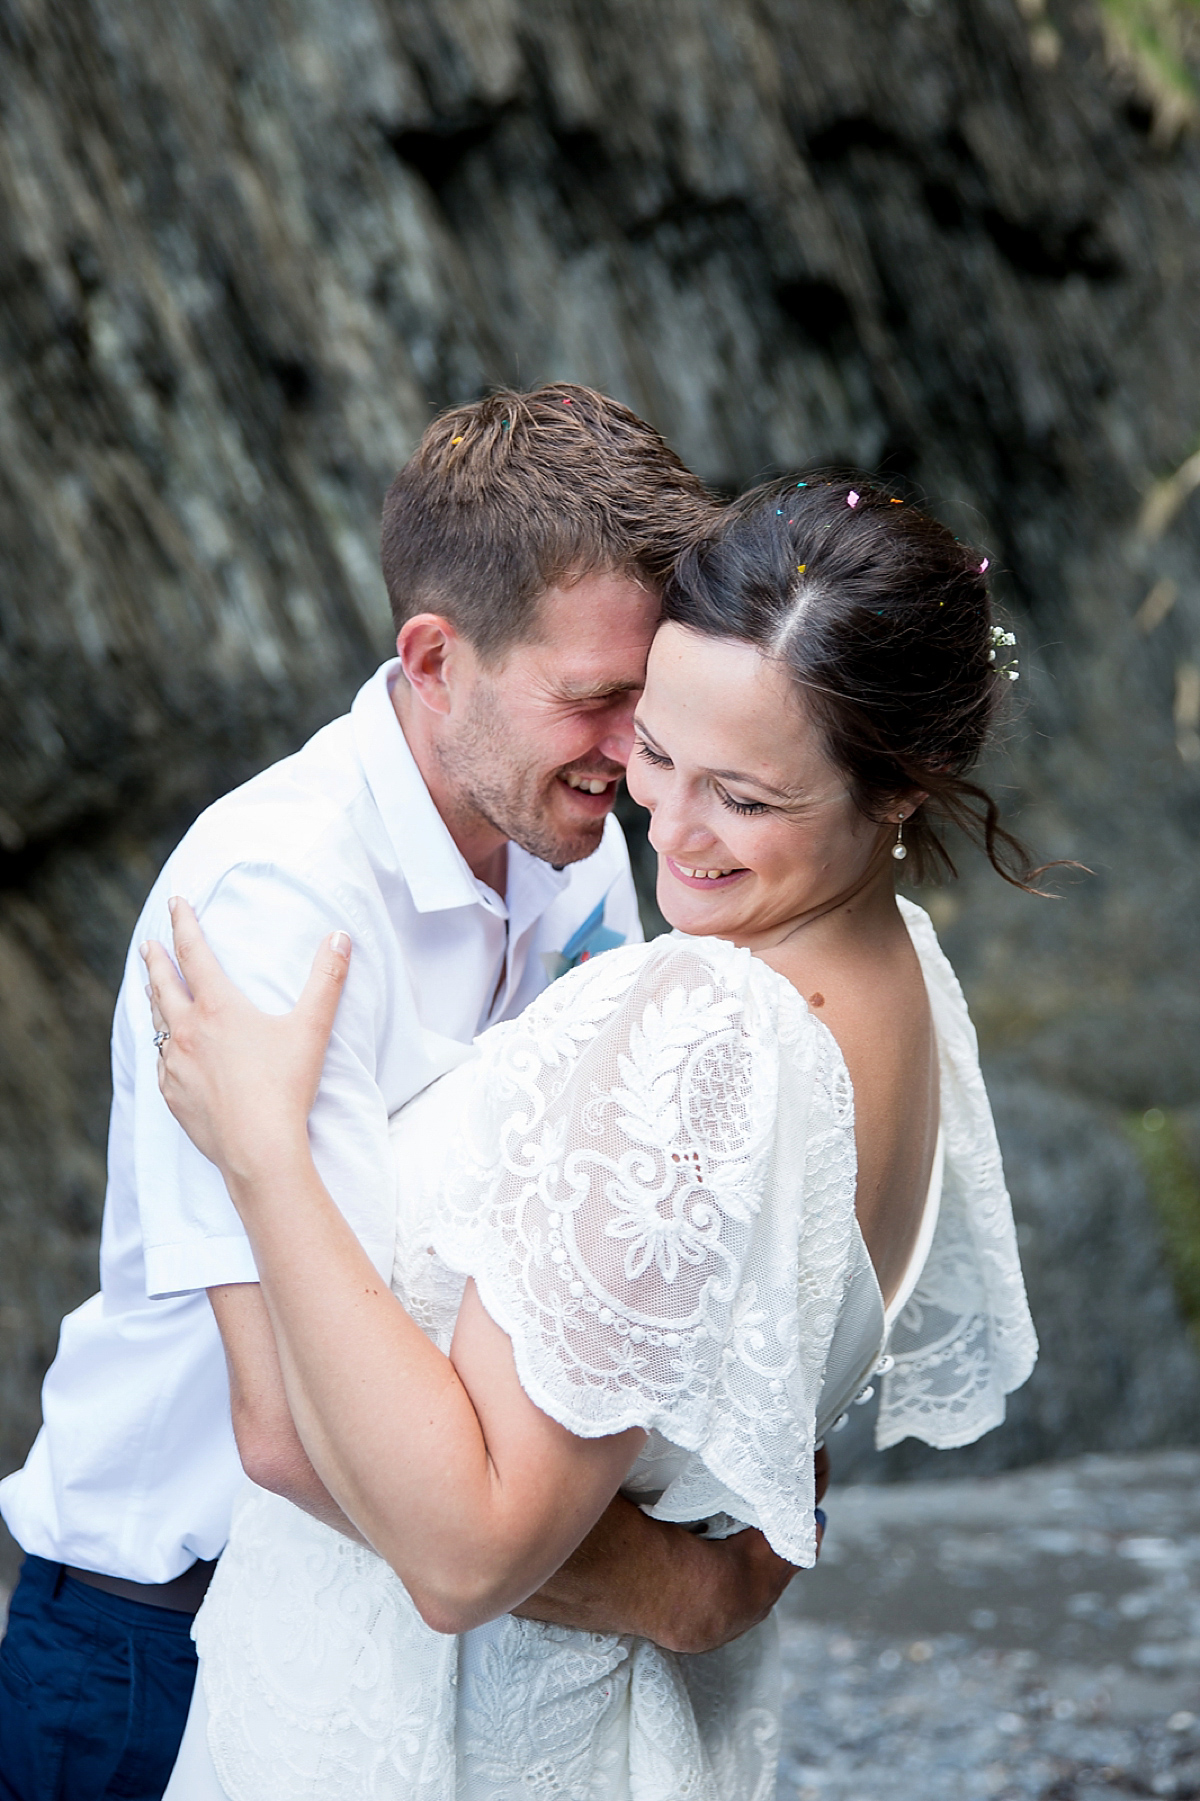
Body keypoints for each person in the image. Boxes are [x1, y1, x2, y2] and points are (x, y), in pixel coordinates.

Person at [145, 478, 1040, 1801]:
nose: (667, 824)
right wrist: (696, 1586)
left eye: (742, 795)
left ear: (897, 789)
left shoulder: (706, 1022)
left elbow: (462, 1554)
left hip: (452, 1744)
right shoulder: (907, 979)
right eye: (657, 748)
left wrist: (263, 1150)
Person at [0, 387, 799, 1801]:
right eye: (598, 700)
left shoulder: (574, 842)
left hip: (395, 1637)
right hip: (158, 1645)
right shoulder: (267, 909)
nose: (637, 759)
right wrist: (683, 1592)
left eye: (655, 703)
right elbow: (291, 1432)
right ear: (434, 660)